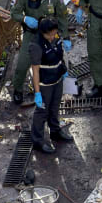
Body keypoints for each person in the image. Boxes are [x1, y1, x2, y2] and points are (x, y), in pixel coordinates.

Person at [10, 0, 70, 104]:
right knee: (22, 64)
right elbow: (14, 13)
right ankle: (17, 89)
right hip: (31, 33)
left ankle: (61, 80)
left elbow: (62, 18)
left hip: (49, 34)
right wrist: (25, 18)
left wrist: (66, 36)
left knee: (58, 59)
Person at [29, 18, 72, 153]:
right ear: (43, 33)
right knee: (42, 112)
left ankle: (55, 131)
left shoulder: (56, 38)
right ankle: (38, 140)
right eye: (50, 34)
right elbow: (35, 70)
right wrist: (37, 92)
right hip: (45, 83)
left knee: (54, 107)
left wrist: (63, 70)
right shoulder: (36, 46)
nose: (53, 36)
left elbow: (59, 55)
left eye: (54, 33)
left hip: (57, 79)